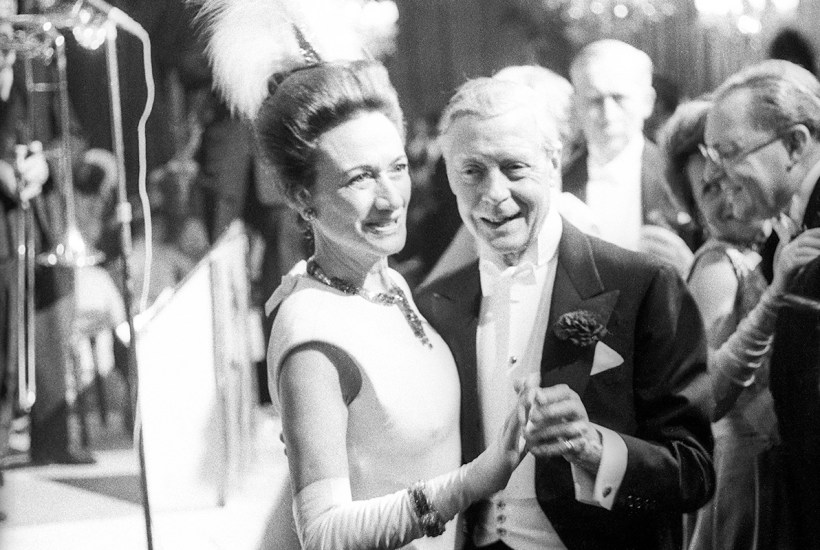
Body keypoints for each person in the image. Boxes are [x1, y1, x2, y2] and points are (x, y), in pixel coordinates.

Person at [203, 3, 531, 548]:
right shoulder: (312, 338)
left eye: (396, 168)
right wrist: (475, 480)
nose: (390, 199)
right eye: (359, 178)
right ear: (301, 197)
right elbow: (323, 533)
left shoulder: (387, 283)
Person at [414, 77, 715, 550]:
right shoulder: (435, 306)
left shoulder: (643, 285)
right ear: (449, 176)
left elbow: (693, 473)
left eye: (514, 167)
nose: (494, 193)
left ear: (553, 163)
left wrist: (595, 447)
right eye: (472, 171)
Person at [661, 98, 820, 549]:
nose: (727, 197)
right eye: (708, 190)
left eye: (729, 179)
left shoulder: (768, 247)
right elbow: (709, 392)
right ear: (691, 207)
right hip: (744, 470)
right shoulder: (716, 265)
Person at [703, 59, 820, 549]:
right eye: (711, 154)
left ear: (795, 144)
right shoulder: (780, 240)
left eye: (729, 153)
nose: (714, 173)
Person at [563, 39, 701, 269]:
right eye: (594, 100)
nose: (608, 114)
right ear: (577, 105)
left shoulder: (681, 175)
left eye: (619, 98)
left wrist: (689, 269)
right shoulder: (559, 182)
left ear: (647, 102)